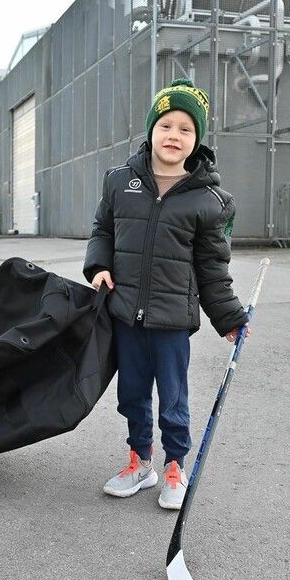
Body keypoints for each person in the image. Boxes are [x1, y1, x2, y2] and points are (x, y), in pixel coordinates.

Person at [83, 78, 250, 510]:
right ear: (151, 130)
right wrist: (99, 267)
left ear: (197, 139)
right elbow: (103, 231)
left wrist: (229, 318)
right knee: (132, 394)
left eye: (186, 129)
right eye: (166, 125)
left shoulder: (210, 200)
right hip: (125, 313)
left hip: (173, 320)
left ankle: (175, 466)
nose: (174, 135)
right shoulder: (119, 182)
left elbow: (213, 269)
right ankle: (140, 463)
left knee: (173, 398)